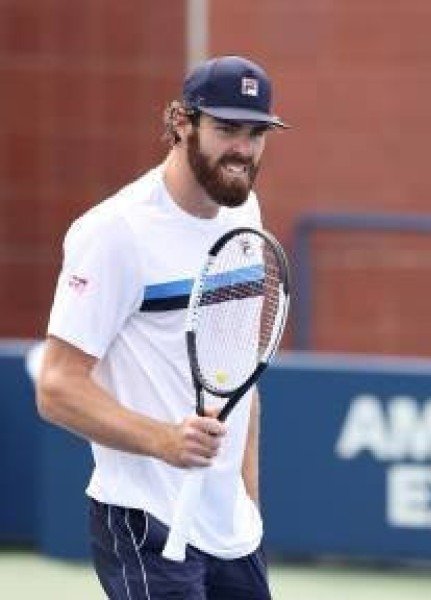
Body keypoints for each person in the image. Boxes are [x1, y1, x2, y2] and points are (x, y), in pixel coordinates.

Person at [35, 55, 288, 599]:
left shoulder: (246, 213)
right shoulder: (113, 233)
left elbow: (240, 373)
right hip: (144, 520)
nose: (243, 149)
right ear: (181, 122)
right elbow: (56, 387)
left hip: (231, 530)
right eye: (225, 129)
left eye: (256, 133)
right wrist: (164, 441)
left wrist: (246, 501)